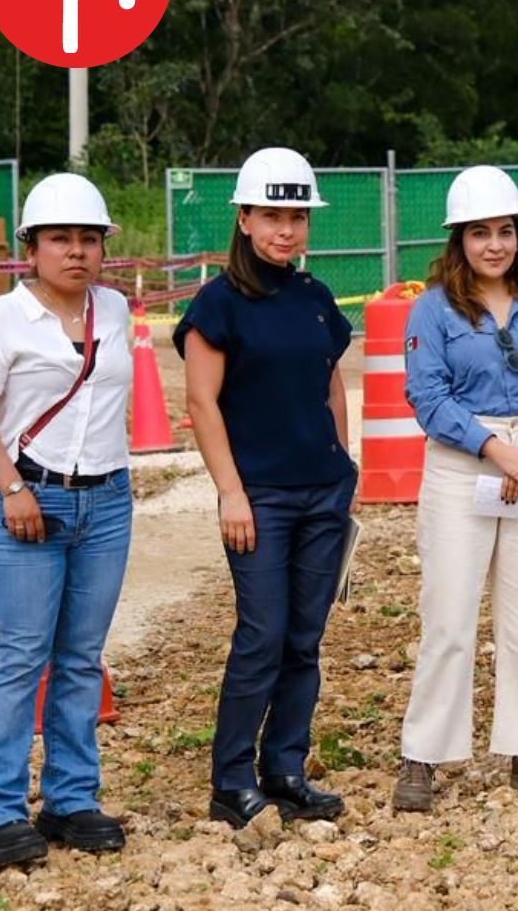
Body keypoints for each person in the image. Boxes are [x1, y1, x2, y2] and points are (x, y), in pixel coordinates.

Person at [391, 166, 518, 811]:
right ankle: (423, 755)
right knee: (448, 615)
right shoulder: (432, 308)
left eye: (505, 231)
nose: (495, 245)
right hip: (464, 464)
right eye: (481, 233)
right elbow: (426, 394)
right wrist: (494, 449)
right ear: (460, 240)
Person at [0, 175, 132, 867]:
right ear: (31, 247)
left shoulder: (114, 309)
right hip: (31, 503)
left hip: (108, 501)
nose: (77, 252)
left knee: (82, 659)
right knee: (21, 656)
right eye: (61, 239)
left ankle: (71, 798)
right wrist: (13, 488)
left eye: (89, 239)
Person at [178, 147, 358, 829]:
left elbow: (331, 379)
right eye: (272, 215)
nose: (286, 229)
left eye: (297, 216)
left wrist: (345, 462)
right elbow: (202, 403)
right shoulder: (218, 303)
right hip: (260, 501)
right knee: (263, 633)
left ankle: (284, 767)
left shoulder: (313, 298)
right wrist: (230, 492)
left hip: (322, 494)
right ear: (245, 219)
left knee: (304, 638)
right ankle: (231, 779)